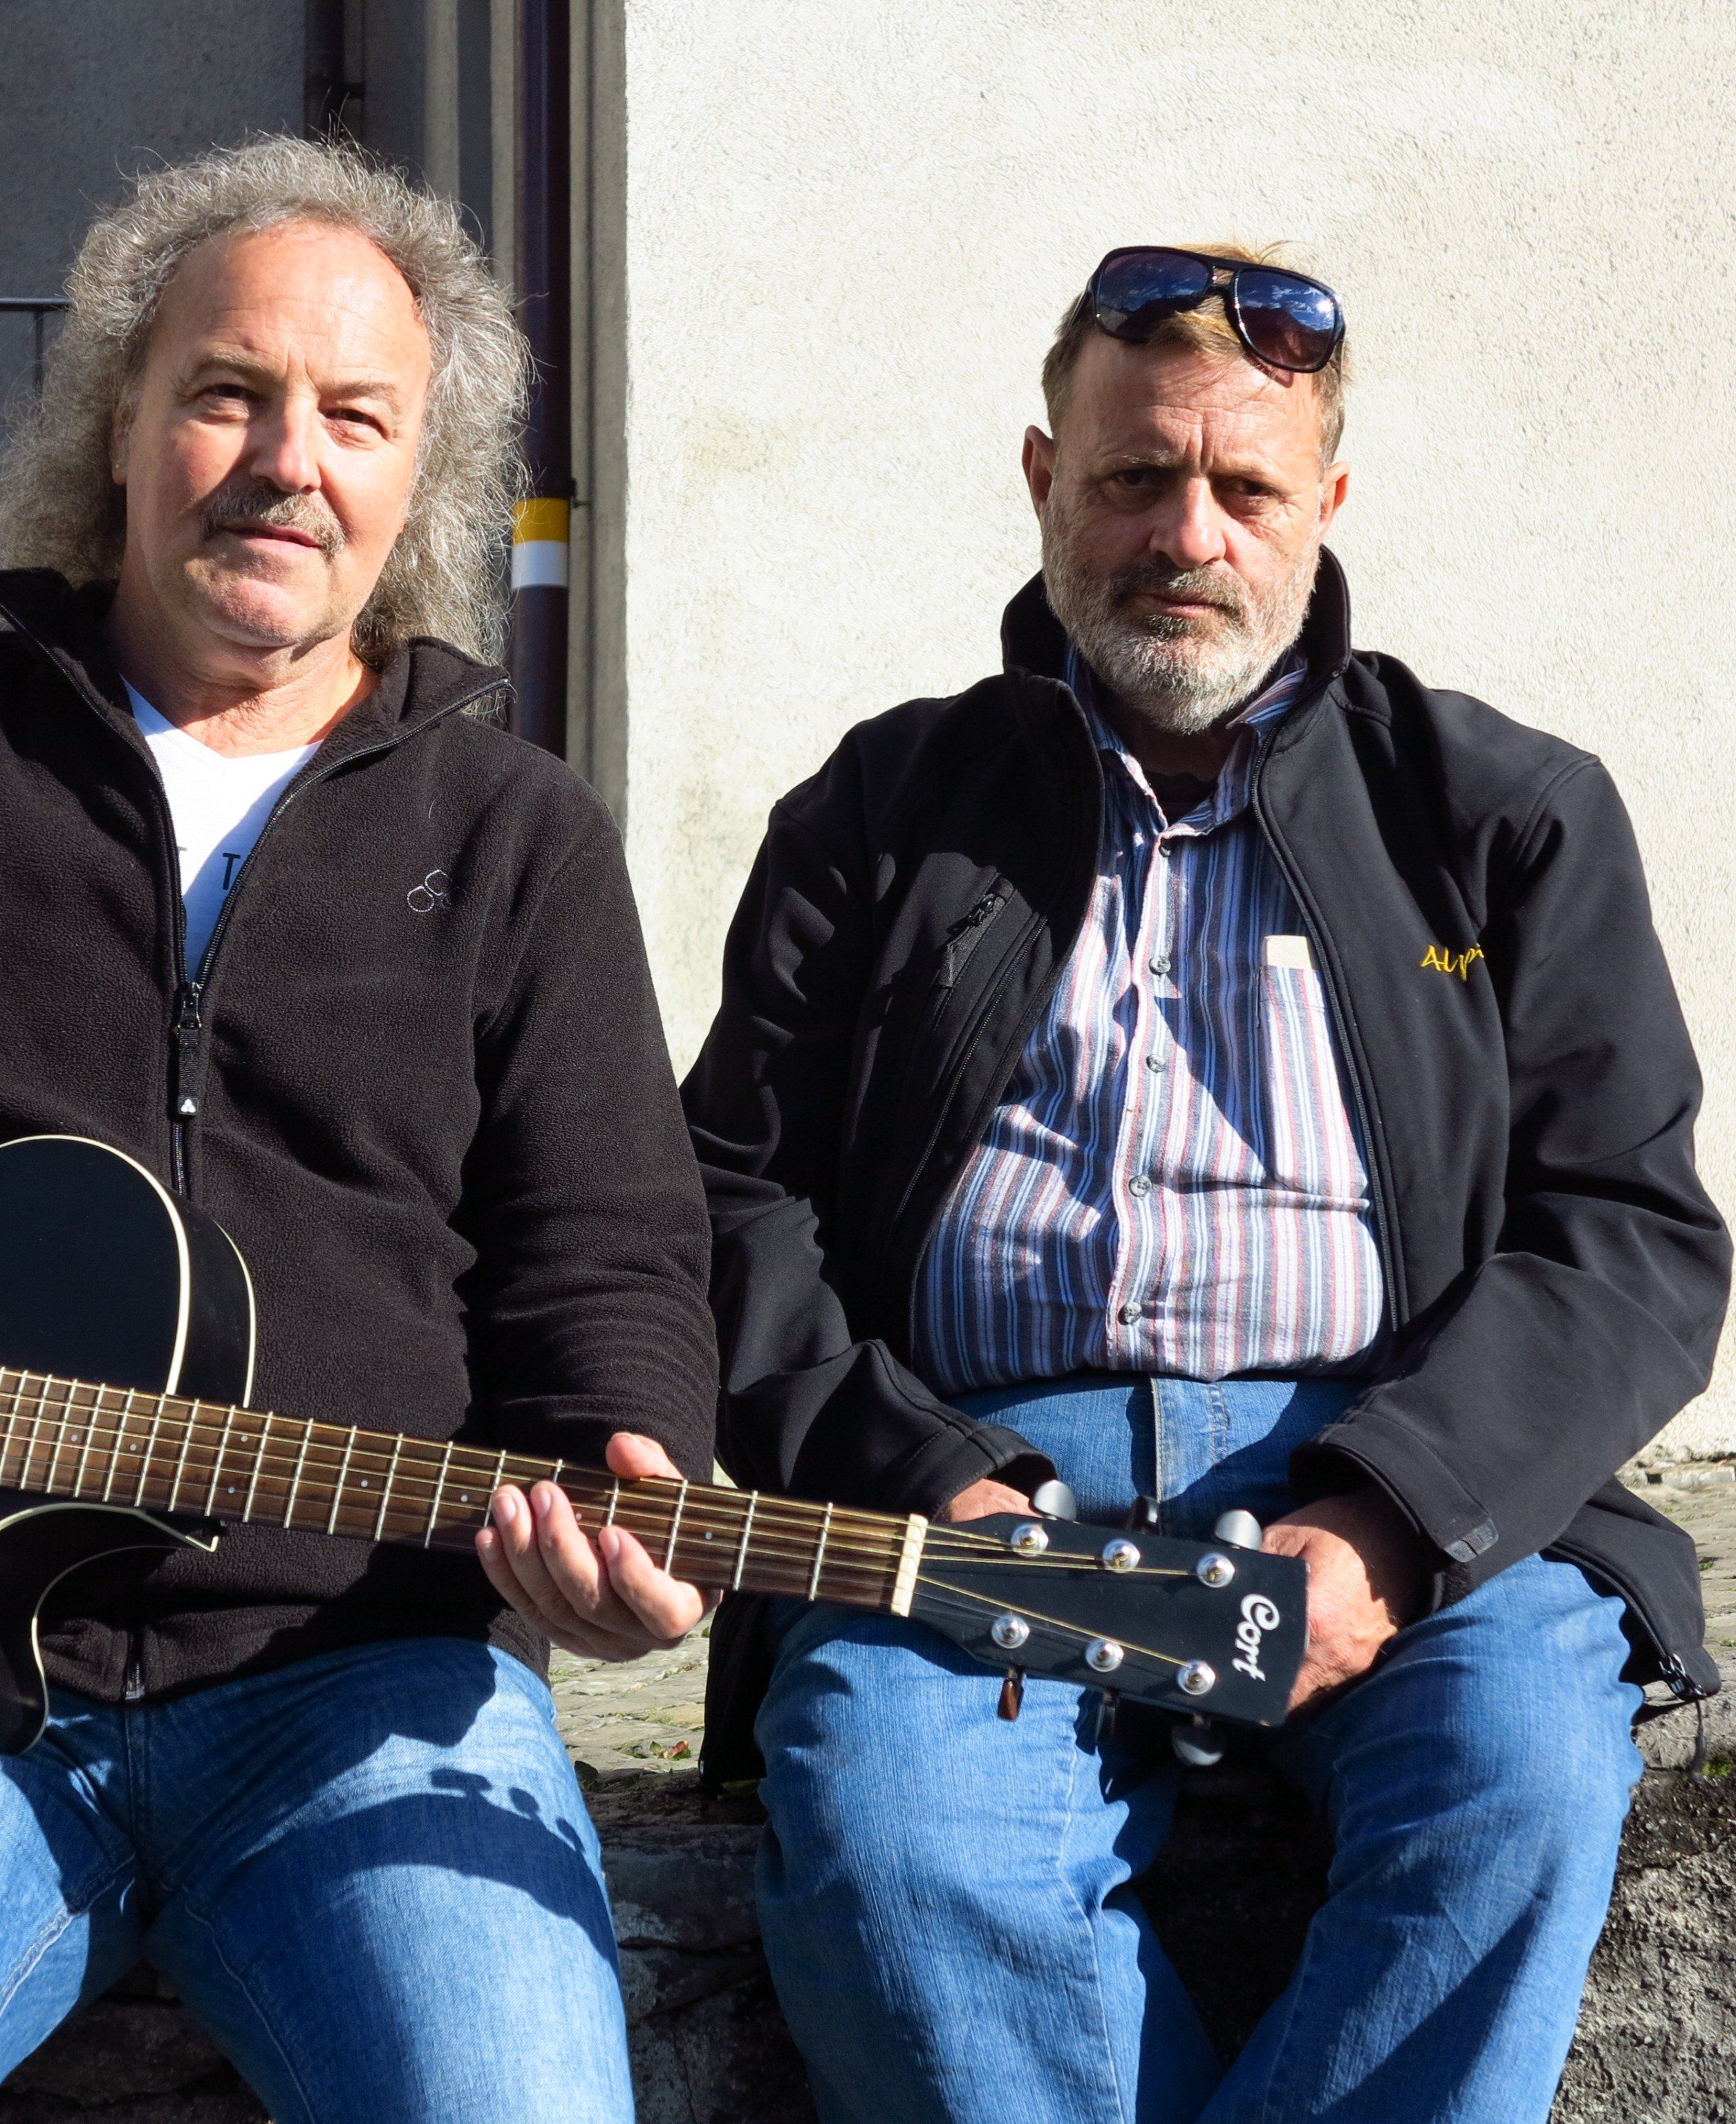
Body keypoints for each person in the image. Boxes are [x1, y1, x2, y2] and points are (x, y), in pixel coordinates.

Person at [0, 137, 717, 2124]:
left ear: (419, 477)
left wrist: (629, 1502)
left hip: (366, 1676)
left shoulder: (519, 842)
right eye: (228, 393)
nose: (286, 460)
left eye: (355, 416)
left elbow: (610, 1257)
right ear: (121, 422)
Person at [676, 244, 1730, 2123]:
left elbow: (1629, 1232)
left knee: (1514, 1786)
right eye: (1132, 478)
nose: (1187, 533)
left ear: (1325, 502)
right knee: (903, 1859)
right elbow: (728, 1202)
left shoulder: (1503, 812)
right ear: (1040, 480)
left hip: (1403, 1475)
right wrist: (937, 1480)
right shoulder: (883, 808)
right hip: (982, 1496)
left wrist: (1395, 1524)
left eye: (1243, 488)